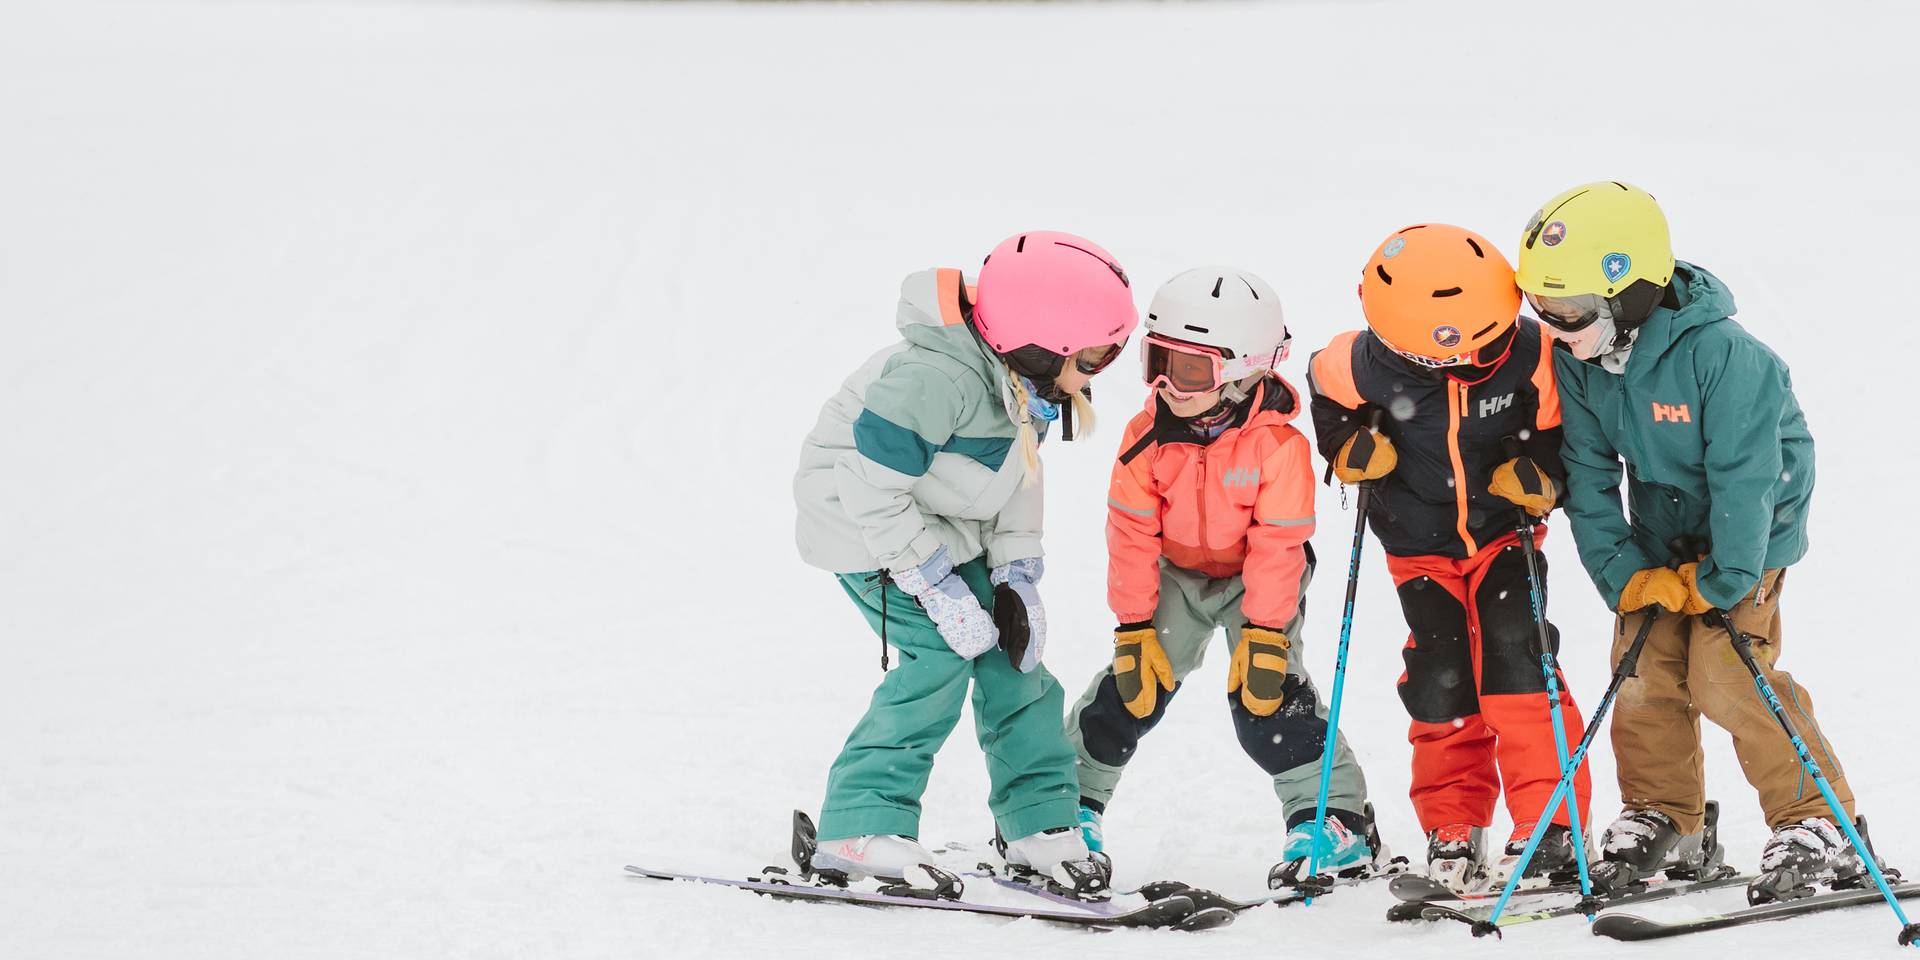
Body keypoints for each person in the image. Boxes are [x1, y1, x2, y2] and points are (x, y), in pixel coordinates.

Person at [1516, 181, 1863, 898]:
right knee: (1642, 670)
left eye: (1570, 309)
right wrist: (1623, 572)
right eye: (1541, 307)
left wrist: (1726, 577)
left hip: (1751, 534)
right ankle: (1665, 814)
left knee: (1725, 673)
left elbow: (1746, 478)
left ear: (1631, 291)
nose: (1555, 327)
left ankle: (1818, 822)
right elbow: (1587, 471)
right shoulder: (1580, 359)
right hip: (1662, 535)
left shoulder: (1728, 357)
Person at [792, 230, 1137, 896]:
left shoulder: (1023, 381)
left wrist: (1015, 574)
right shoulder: (934, 380)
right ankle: (857, 826)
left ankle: (1036, 821)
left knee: (1015, 658)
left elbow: (1017, 477)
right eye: (1095, 354)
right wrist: (933, 583)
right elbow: (868, 486)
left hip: (941, 522)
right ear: (1040, 344)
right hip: (864, 525)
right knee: (939, 658)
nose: (1100, 370)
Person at [1065, 266, 1389, 887]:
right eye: (1157, 362)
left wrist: (1265, 632)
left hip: (1256, 579)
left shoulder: (1279, 447)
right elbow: (1131, 534)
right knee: (1132, 689)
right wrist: (1133, 626)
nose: (1167, 385)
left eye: (1189, 370)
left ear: (1245, 370)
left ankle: (1333, 818)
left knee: (1267, 698)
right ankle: (1063, 806)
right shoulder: (1145, 437)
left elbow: (1278, 542)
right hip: (1175, 575)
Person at [1306, 224, 1589, 892]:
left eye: (1481, 346)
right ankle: (1453, 823)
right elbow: (1323, 387)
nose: (1469, 362)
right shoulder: (1360, 363)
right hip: (1417, 546)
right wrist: (1346, 446)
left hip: (1505, 535)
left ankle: (1550, 825)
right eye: (1447, 356)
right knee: (1440, 677)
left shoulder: (1533, 354)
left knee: (1518, 661)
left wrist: (1543, 476)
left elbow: (1565, 431)